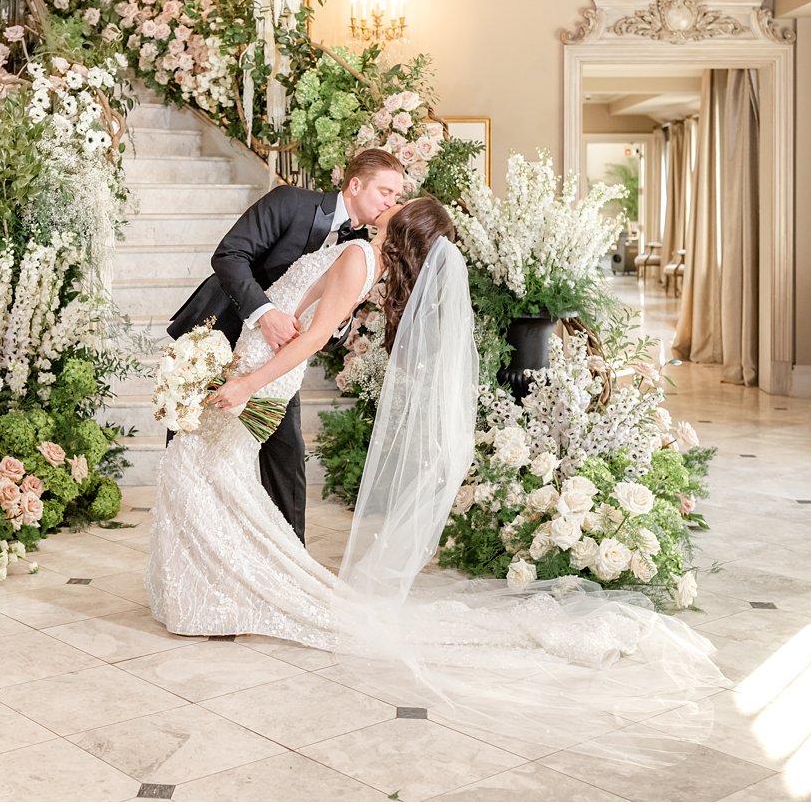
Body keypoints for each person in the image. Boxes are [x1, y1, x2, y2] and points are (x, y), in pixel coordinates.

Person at [148, 196, 725, 753]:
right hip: (256, 364)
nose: (391, 199)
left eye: (400, 199)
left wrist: (247, 382)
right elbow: (300, 310)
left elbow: (316, 335)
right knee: (210, 476)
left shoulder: (358, 258)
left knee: (195, 471)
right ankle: (218, 592)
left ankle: (227, 594)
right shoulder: (361, 254)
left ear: (401, 221)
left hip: (262, 376)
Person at [165, 148, 406, 542]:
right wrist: (265, 312)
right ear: (356, 184)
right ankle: (187, 549)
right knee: (190, 454)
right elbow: (229, 256)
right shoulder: (289, 201)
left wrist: (338, 326)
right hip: (216, 338)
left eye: (396, 196)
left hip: (275, 365)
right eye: (385, 191)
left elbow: (328, 323)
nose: (390, 202)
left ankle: (288, 564)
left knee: (287, 461)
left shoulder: (364, 248)